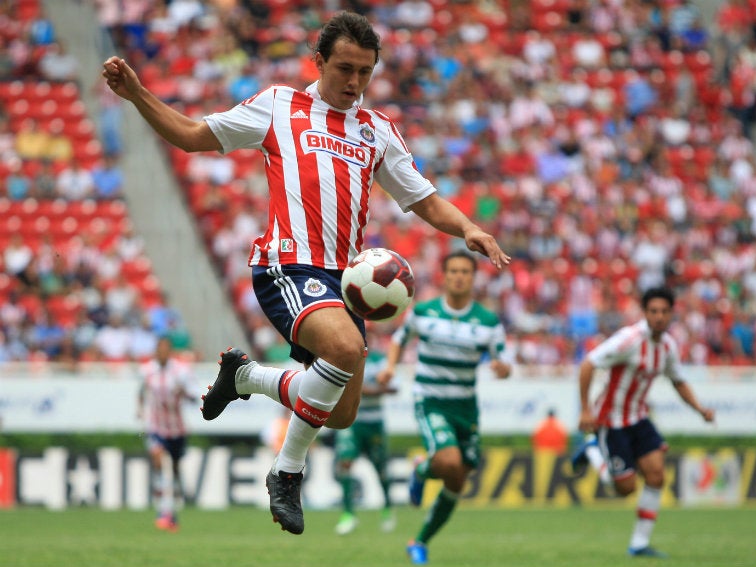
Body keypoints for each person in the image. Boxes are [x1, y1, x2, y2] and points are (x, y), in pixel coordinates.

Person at [102, 11, 510, 536]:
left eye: (365, 71)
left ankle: (245, 377)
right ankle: (286, 472)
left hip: (345, 283)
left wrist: (468, 228)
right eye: (344, 68)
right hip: (287, 264)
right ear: (317, 61)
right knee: (343, 352)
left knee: (339, 412)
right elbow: (191, 135)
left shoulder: (378, 131)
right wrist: (138, 94)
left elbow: (423, 199)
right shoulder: (279, 106)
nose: (354, 82)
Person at [377, 250, 512, 565]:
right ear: (444, 275)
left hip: (466, 406)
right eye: (453, 271)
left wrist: (503, 369)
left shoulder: (488, 321)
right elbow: (399, 339)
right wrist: (390, 367)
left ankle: (419, 540)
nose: (459, 276)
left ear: (473, 277)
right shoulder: (423, 312)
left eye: (465, 271)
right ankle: (425, 468)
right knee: (449, 462)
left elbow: (504, 358)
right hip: (431, 400)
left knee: (457, 480)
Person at [571, 287, 715, 558]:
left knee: (657, 475)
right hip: (610, 420)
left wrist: (700, 409)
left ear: (671, 314)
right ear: (645, 313)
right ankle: (591, 449)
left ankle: (638, 544)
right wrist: (585, 411)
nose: (659, 317)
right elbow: (588, 364)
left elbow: (678, 381)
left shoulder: (669, 346)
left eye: (663, 312)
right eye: (653, 311)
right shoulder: (629, 339)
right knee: (625, 489)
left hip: (638, 417)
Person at [333, 347, 397, 535]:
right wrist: (374, 388)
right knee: (345, 463)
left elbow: (395, 387)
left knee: (381, 469)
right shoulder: (346, 353)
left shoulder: (380, 359)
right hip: (351, 422)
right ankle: (348, 514)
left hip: (374, 422)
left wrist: (365, 389)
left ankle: (387, 508)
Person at [137, 336, 196, 532]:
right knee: (160, 462)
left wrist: (184, 393)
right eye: (158, 349)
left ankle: (173, 506)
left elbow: (194, 396)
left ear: (169, 351)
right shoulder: (147, 370)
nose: (161, 353)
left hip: (177, 428)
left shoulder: (181, 371)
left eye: (165, 349)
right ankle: (164, 512)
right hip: (156, 428)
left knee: (175, 469)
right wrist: (139, 410)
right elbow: (141, 391)